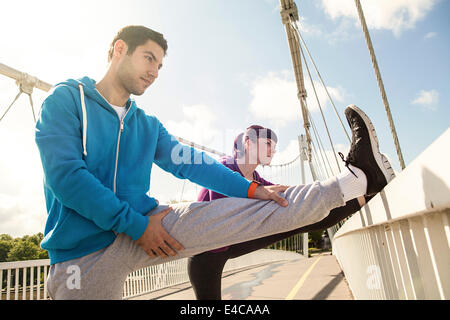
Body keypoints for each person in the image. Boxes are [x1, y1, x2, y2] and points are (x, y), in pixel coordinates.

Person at [35, 25, 395, 299]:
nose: (155, 72)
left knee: (269, 205)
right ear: (119, 50)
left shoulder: (146, 125)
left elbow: (194, 164)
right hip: (86, 257)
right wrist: (134, 225)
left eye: (160, 65)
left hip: (150, 227)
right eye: (149, 59)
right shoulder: (66, 100)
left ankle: (359, 178)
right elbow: (67, 178)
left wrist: (252, 189)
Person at [188, 124, 385, 300]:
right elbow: (223, 219)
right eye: (267, 144)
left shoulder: (257, 178)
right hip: (206, 253)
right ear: (247, 142)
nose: (272, 150)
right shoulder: (224, 167)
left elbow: (287, 195)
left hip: (230, 243)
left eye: (274, 147)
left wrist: (304, 199)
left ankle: (364, 192)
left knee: (301, 215)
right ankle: (362, 183)